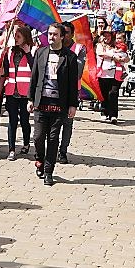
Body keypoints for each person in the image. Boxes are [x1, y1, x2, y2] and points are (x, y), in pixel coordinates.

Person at [27, 23, 78, 186]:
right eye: (49, 34)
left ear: (62, 37)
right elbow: (34, 77)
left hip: (59, 104)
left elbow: (72, 84)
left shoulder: (70, 57)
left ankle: (49, 171)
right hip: (41, 102)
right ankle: (40, 158)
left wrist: (72, 105)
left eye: (55, 34)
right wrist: (30, 98)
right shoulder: (41, 53)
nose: (51, 37)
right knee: (38, 137)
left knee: (54, 138)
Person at [0, 25, 34, 161]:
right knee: (12, 121)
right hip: (11, 92)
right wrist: (2, 69)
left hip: (25, 93)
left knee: (24, 121)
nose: (16, 39)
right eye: (15, 36)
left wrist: (29, 53)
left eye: (19, 36)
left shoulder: (33, 50)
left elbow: (35, 68)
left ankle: (26, 143)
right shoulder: (9, 52)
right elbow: (5, 71)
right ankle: (11, 149)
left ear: (25, 37)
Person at [58, 21, 87, 164]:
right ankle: (52, 149)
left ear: (72, 34)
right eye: (61, 33)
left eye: (67, 33)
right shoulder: (53, 48)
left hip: (71, 92)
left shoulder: (79, 48)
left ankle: (63, 151)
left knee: (67, 122)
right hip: (54, 91)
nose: (63, 36)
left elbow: (78, 71)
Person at [96, 27, 129, 123]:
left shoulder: (117, 45)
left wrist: (123, 59)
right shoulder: (99, 45)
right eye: (104, 35)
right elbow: (100, 53)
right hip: (103, 73)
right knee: (104, 94)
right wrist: (113, 56)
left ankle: (113, 115)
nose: (106, 37)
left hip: (117, 73)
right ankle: (104, 111)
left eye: (108, 35)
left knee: (113, 93)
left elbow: (127, 57)